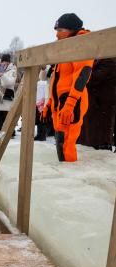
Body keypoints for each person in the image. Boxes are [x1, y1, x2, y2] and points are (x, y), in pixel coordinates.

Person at [42, 13, 94, 162]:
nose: (56, 35)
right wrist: (50, 102)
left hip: (71, 103)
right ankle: (65, 172)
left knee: (67, 143)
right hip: (61, 103)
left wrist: (70, 104)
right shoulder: (65, 49)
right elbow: (58, 80)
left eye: (60, 30)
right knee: (60, 142)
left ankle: (69, 176)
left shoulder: (81, 44)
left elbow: (82, 75)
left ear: (71, 30)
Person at [78, 58, 116, 150]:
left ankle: (103, 145)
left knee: (102, 126)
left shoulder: (109, 61)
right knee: (94, 126)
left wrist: (80, 73)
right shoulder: (99, 61)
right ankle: (95, 144)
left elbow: (92, 78)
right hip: (97, 101)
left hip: (103, 101)